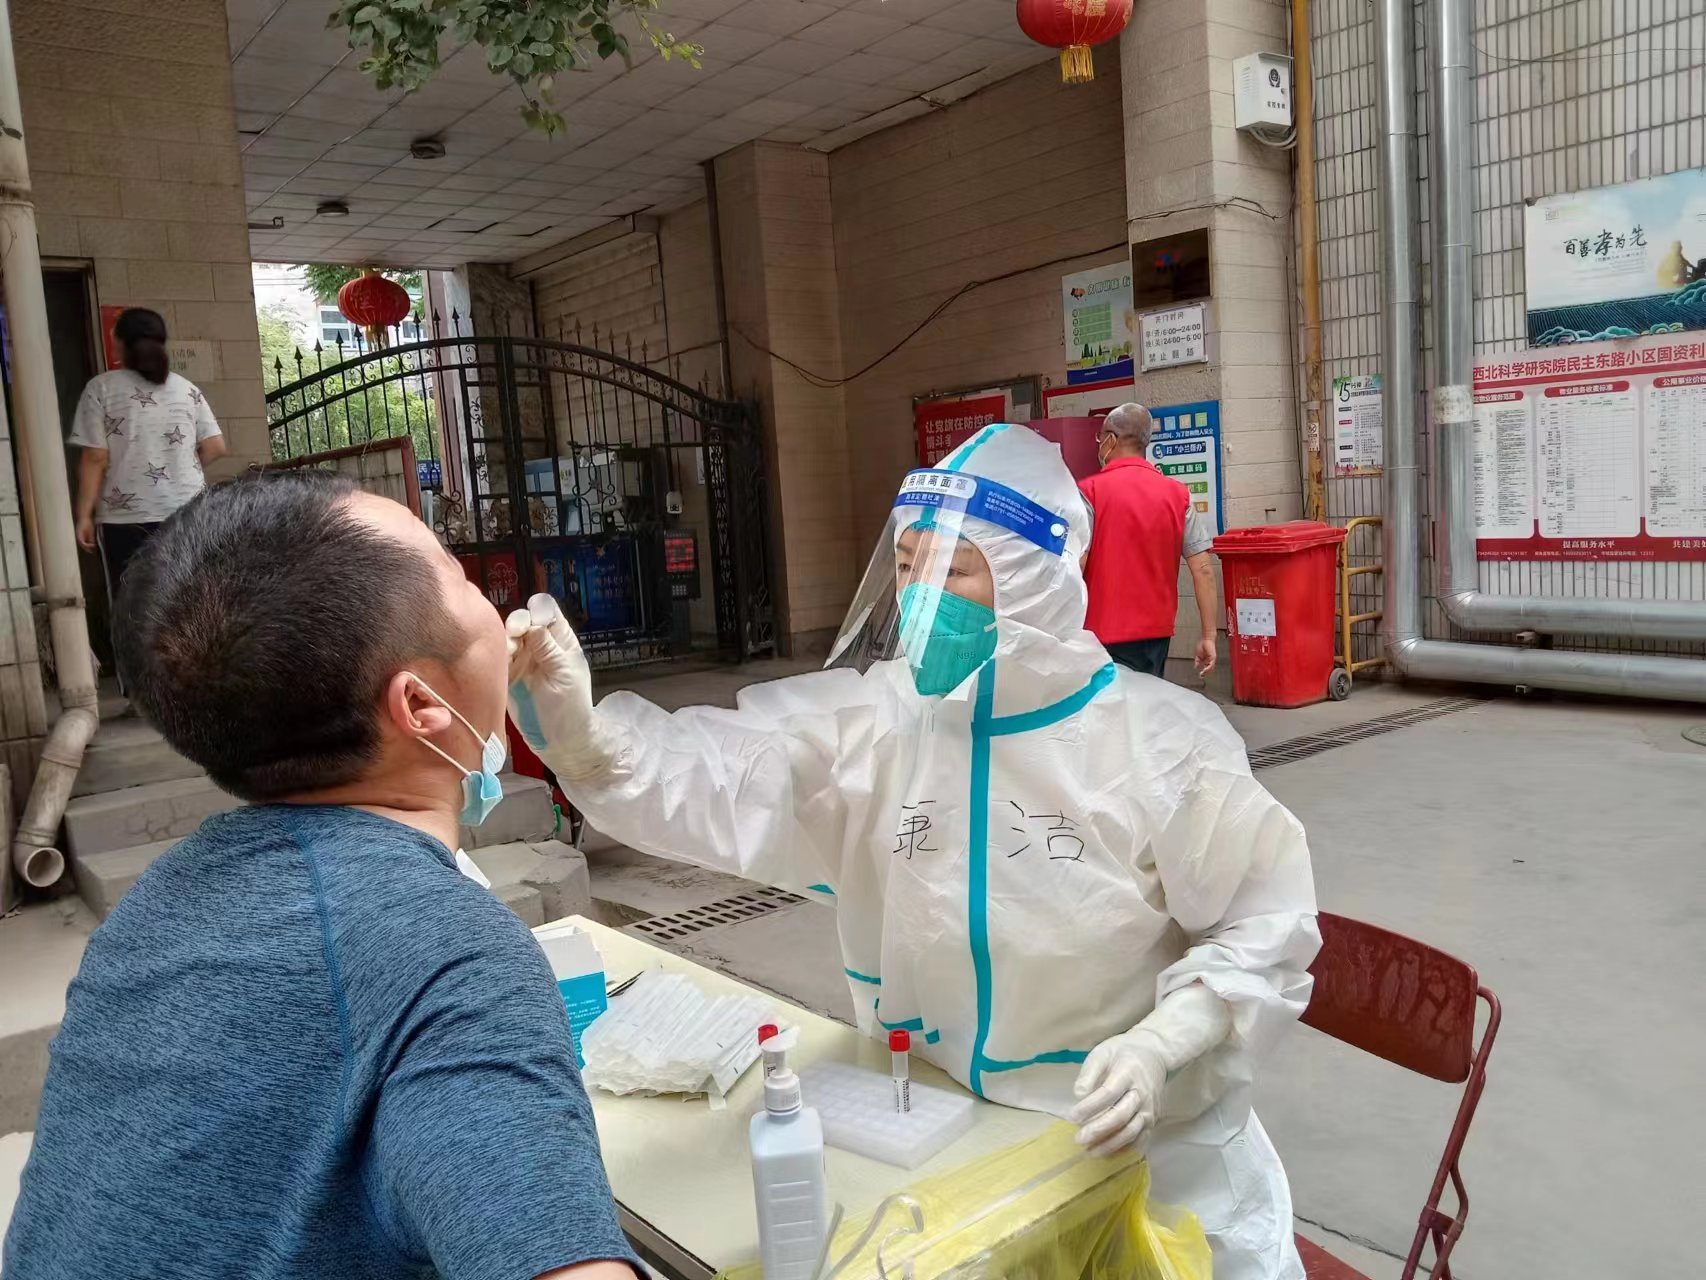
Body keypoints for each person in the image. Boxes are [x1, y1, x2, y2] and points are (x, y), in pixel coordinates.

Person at [508, 424, 1319, 1280]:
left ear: (1037, 580)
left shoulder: (1160, 744)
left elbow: (1264, 925)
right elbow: (723, 772)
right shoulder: (881, 724)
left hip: (1148, 1164)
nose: (921, 597)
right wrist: (584, 739)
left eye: (954, 571)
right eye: (905, 567)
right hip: (947, 1148)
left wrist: (1162, 1044)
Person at [3, 472, 639, 1280]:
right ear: (419, 707)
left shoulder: (155, 906)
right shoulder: (445, 956)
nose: (495, 605)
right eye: (458, 574)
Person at [68, 307, 226, 616]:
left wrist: (84, 514)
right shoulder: (186, 389)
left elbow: (95, 457)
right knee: (189, 599)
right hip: (188, 512)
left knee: (133, 605)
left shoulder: (101, 388)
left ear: (120, 343)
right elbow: (215, 446)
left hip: (126, 520)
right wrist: (181, 469)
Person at [1078, 402, 1218, 679]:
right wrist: (1208, 636)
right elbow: (1203, 569)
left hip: (1100, 631)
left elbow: (1077, 564)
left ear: (1110, 439)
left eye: (1099, 437)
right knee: (1149, 699)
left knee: (1107, 703)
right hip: (1156, 632)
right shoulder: (1178, 495)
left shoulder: (1089, 492)